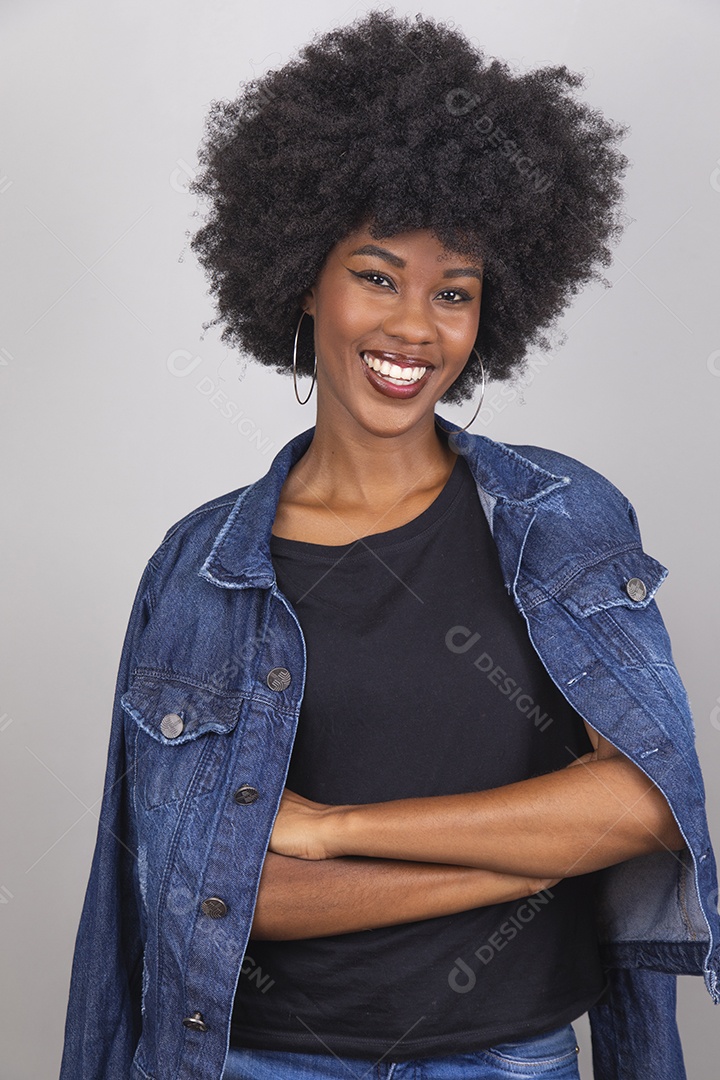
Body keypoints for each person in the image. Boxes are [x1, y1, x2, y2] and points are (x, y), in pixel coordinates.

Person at [59, 12, 720, 1080]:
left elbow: (646, 805)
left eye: (452, 291)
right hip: (262, 1064)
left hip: (510, 1061)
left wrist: (333, 831)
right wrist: (535, 858)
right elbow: (222, 896)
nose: (415, 326)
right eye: (376, 275)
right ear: (301, 283)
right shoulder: (201, 571)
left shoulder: (563, 522)